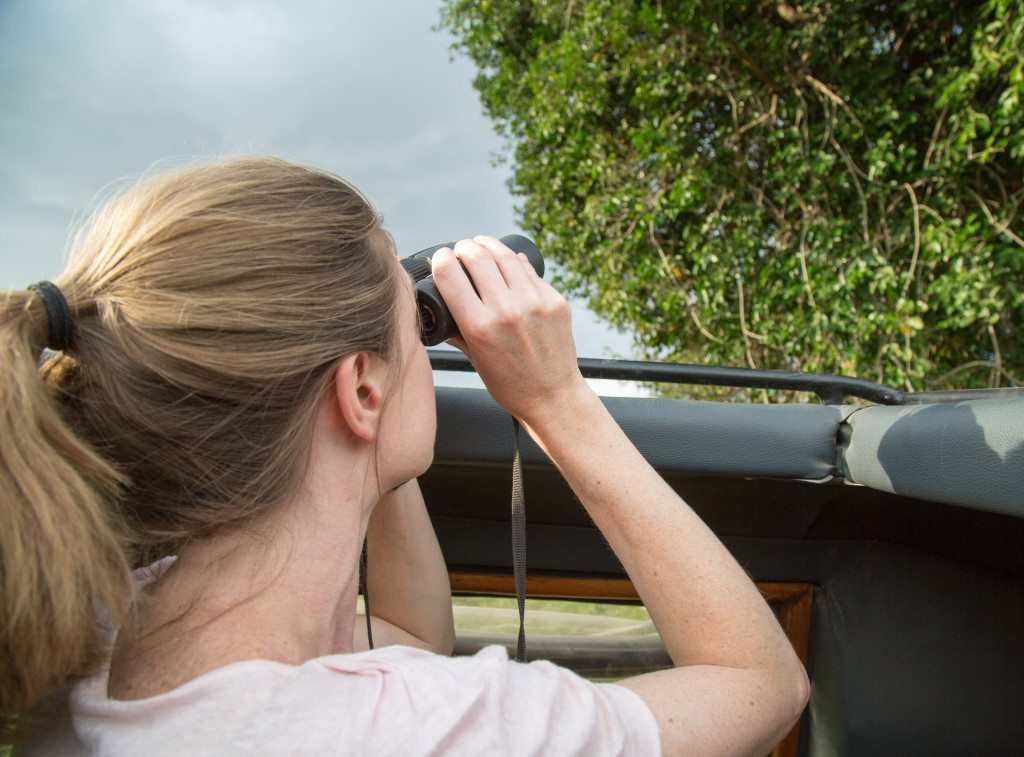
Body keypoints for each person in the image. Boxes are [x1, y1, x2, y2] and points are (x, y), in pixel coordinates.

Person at [1, 156, 808, 755]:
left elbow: (409, 640)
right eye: (411, 330)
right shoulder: (427, 730)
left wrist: (370, 437)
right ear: (358, 392)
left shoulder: (98, 629)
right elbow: (763, 686)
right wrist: (557, 400)